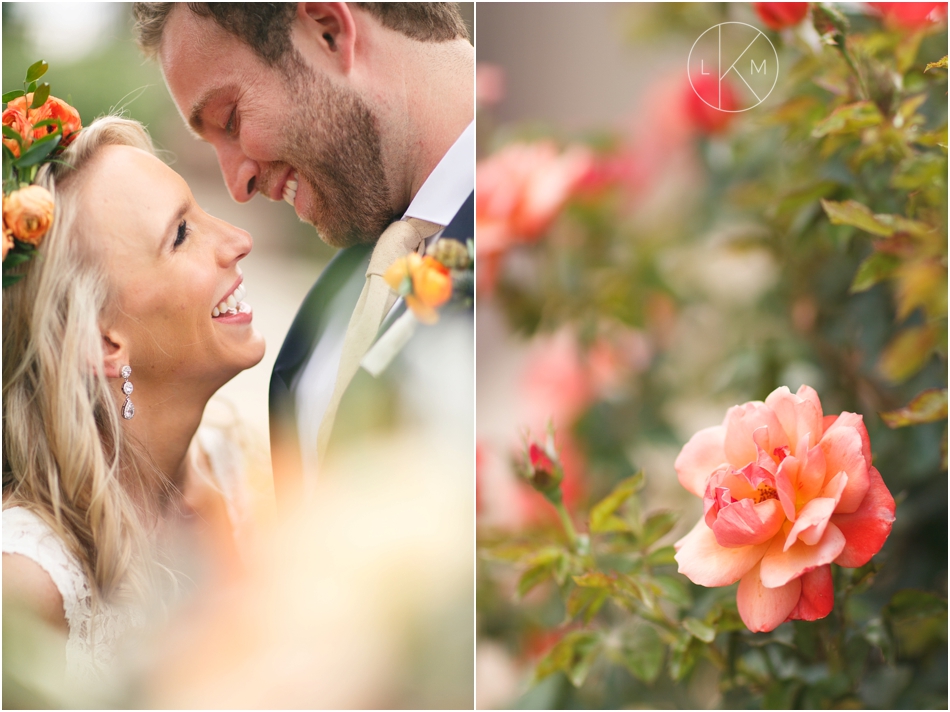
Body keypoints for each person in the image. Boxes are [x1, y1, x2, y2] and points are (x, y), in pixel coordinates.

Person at [133, 2, 475, 501]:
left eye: (230, 120)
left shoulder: (567, 240)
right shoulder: (319, 332)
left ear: (328, 31)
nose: (237, 185)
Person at [2, 116, 265, 683]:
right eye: (180, 235)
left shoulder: (234, 455)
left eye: (198, 212)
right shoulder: (29, 584)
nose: (239, 241)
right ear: (103, 340)